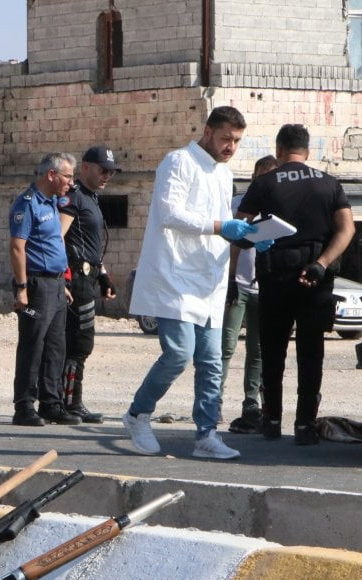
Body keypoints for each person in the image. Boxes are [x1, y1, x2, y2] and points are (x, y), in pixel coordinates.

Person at [121, 106, 256, 460]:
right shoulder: (178, 162)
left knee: (212, 361)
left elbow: (223, 226)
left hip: (209, 280)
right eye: (226, 138)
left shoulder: (224, 175)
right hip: (174, 276)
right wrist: (220, 226)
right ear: (208, 131)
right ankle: (137, 414)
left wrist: (249, 238)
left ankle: (206, 435)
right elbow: (170, 213)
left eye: (237, 141)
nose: (231, 147)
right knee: (179, 353)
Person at [236, 123, 354, 446]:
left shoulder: (264, 183)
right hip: (316, 278)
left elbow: (240, 230)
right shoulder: (329, 183)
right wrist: (321, 263)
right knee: (311, 351)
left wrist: (243, 258)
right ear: (307, 151)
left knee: (272, 351)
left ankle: (271, 419)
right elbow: (346, 230)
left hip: (276, 277)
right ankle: (305, 425)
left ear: (279, 150)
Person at [9, 153, 79, 426]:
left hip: (56, 284)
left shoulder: (51, 203)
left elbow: (54, 243)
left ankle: (52, 403)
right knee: (32, 346)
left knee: (55, 346)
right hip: (36, 284)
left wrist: (63, 283)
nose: (71, 183)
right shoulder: (27, 204)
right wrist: (22, 287)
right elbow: (17, 247)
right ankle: (24, 406)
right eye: (68, 176)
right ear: (51, 175)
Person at [58, 145, 120, 424]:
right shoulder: (73, 198)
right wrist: (62, 278)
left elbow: (91, 247)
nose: (107, 175)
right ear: (86, 167)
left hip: (89, 276)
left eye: (111, 171)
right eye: (102, 169)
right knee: (79, 343)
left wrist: (104, 275)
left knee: (80, 342)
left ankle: (69, 401)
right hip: (76, 278)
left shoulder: (91, 198)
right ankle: (70, 402)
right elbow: (58, 237)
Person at [223, 154, 278, 434]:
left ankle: (251, 406)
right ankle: (212, 402)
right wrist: (230, 279)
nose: (261, 182)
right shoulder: (238, 204)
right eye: (258, 176)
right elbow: (230, 242)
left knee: (257, 352)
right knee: (225, 347)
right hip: (239, 286)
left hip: (263, 287)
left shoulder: (278, 209)